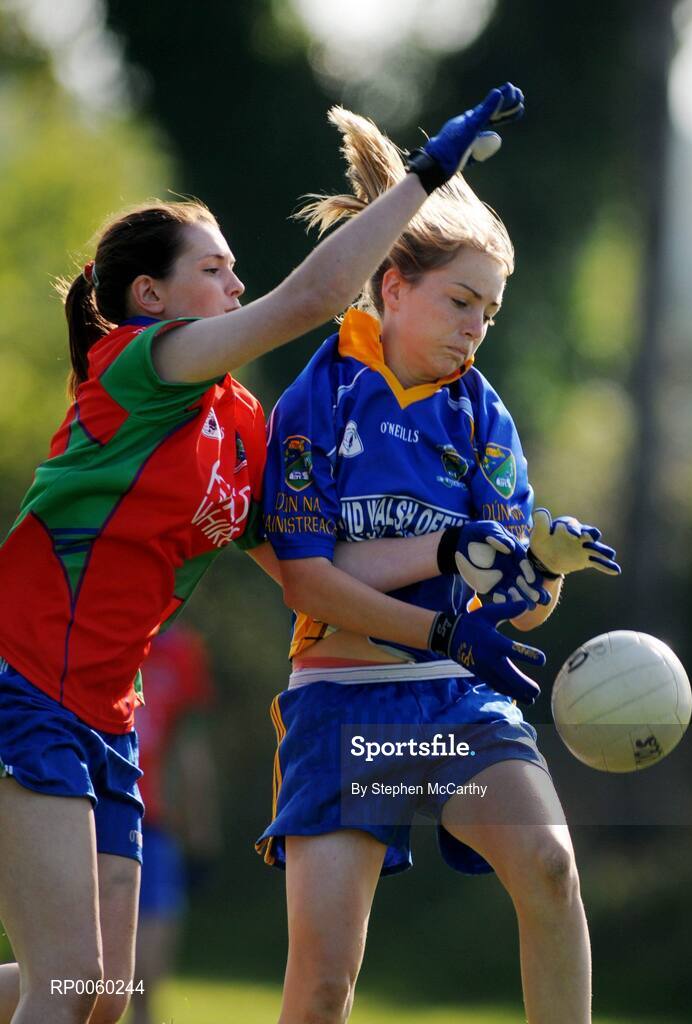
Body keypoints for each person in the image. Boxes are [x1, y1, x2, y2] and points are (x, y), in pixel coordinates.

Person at [0, 83, 530, 1024]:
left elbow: (302, 580)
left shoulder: (245, 428)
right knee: (65, 980)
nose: (237, 286)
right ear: (149, 297)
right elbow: (319, 296)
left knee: (97, 995)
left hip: (104, 713)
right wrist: (425, 178)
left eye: (238, 270)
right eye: (216, 269)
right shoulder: (138, 365)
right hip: (22, 676)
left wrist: (448, 621)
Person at [256, 106, 621, 1024]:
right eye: (462, 302)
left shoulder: (482, 416)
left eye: (490, 312)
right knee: (323, 989)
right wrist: (447, 553)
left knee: (549, 868)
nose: (477, 328)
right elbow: (309, 581)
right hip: (343, 701)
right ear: (394, 285)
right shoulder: (321, 393)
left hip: (456, 695)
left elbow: (520, 609)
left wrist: (545, 563)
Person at [130, 623, 219, 1024]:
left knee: (147, 975)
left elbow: (190, 747)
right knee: (88, 980)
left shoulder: (180, 651)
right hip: (88, 819)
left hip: (154, 826)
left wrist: (202, 831)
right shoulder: (89, 631)